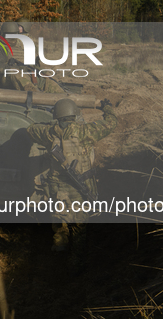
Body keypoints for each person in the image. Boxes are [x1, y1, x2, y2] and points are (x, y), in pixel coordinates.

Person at [26, 98, 117, 256]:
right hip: (80, 187)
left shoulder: (49, 133)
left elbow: (30, 130)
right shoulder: (85, 131)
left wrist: (49, 126)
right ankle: (76, 263)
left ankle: (59, 250)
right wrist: (107, 107)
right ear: (74, 114)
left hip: (57, 187)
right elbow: (111, 123)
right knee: (79, 228)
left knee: (59, 218)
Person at [0, 21, 65, 93]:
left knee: (47, 80)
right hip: (9, 78)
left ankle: (63, 95)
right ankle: (34, 93)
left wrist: (41, 71)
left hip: (27, 74)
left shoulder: (20, 47)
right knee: (14, 72)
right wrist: (11, 67)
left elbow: (31, 64)